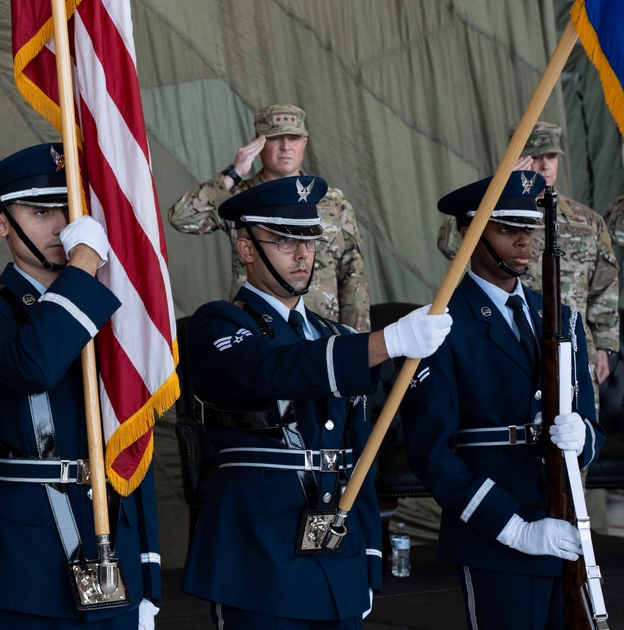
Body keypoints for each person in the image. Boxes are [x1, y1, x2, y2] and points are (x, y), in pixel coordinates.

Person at [181, 176, 452, 628]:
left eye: (309, 238)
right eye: (285, 240)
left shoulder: (336, 336)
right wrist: (385, 342)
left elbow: (359, 458)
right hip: (257, 554)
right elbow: (270, 369)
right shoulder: (219, 322)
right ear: (246, 248)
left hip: (338, 559)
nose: (304, 253)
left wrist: (367, 562)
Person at [0, 143, 161, 629]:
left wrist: (149, 576)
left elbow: (132, 433)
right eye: (41, 211)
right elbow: (31, 364)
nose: (62, 225)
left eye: (70, 209)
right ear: (2, 225)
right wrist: (83, 263)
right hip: (23, 561)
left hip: (114, 552)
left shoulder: (113, 312)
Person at [405, 172, 606, 628]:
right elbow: (432, 454)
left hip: (565, 525)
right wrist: (512, 527)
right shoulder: (440, 324)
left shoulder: (562, 318)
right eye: (504, 228)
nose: (523, 240)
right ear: (469, 233)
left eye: (529, 228)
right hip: (493, 532)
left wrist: (583, 437)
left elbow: (591, 424)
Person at [437, 121, 619, 389]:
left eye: (552, 157)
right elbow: (450, 244)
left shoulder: (588, 221)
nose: (545, 165)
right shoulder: (491, 210)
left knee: (577, 427)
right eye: (535, 157)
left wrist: (605, 346)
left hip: (574, 352)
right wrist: (498, 187)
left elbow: (605, 286)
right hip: (509, 346)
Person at [168, 104, 370, 331]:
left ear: (304, 142)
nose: (285, 147)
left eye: (294, 138)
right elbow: (181, 217)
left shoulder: (332, 200)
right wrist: (234, 173)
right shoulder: (238, 197)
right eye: (275, 138)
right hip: (257, 328)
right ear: (258, 143)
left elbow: (353, 274)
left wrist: (358, 344)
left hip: (321, 331)